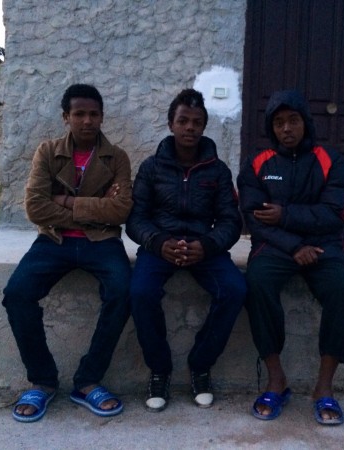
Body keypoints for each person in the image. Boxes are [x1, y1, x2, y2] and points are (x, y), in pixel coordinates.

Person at [2, 83, 133, 422]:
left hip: (102, 242)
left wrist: (67, 201)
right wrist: (94, 206)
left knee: (123, 291)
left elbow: (120, 211)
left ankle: (88, 380)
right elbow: (35, 208)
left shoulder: (116, 157)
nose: (87, 121)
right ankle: (43, 381)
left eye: (93, 114)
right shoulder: (48, 152)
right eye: (79, 114)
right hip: (55, 240)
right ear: (66, 117)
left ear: (102, 117)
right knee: (17, 293)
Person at [237, 89, 344, 426]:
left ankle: (324, 387)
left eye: (293, 120)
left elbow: (337, 212)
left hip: (324, 245)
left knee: (339, 289)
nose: (286, 128)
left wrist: (286, 215)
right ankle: (277, 379)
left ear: (306, 122)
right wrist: (292, 246)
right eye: (278, 123)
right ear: (270, 128)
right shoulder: (259, 164)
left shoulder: (330, 160)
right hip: (277, 247)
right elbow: (254, 217)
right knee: (257, 282)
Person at [126, 88, 246, 412]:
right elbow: (135, 219)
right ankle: (160, 370)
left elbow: (230, 221)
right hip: (159, 246)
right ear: (171, 124)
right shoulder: (151, 168)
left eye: (196, 122)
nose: (189, 128)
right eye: (183, 121)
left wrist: (207, 245)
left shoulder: (218, 170)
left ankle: (201, 365)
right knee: (140, 293)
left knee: (235, 289)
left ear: (204, 126)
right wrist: (157, 242)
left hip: (202, 247)